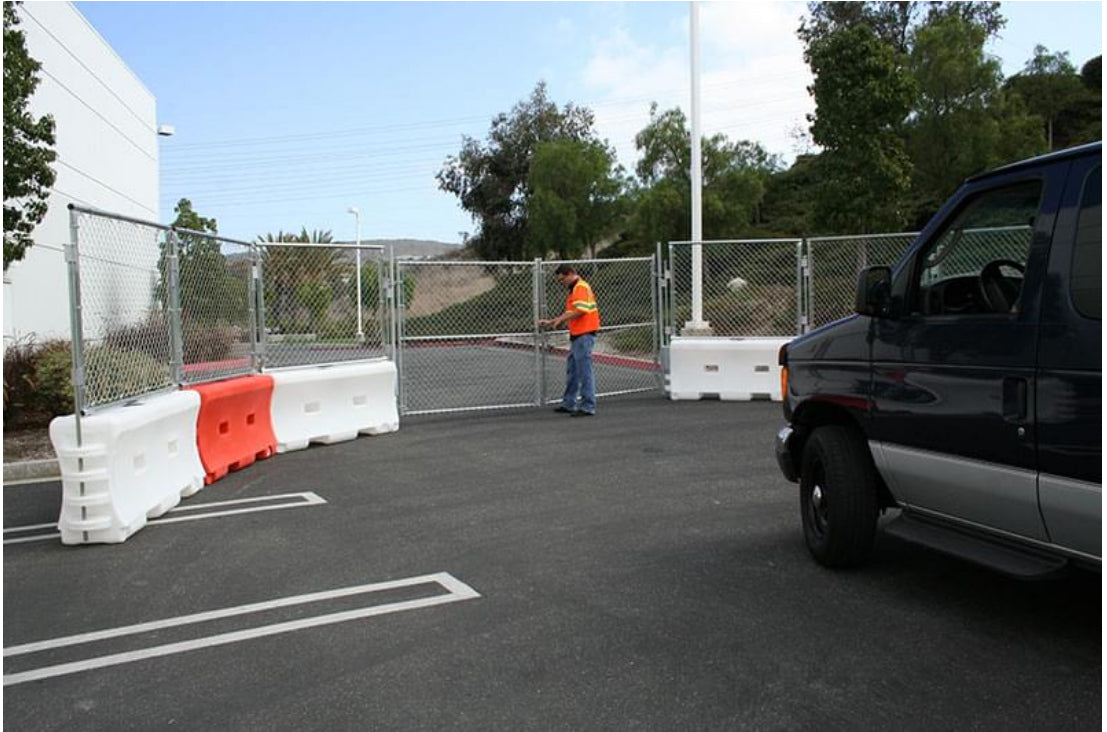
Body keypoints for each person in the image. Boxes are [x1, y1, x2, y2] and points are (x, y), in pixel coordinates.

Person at [539, 264, 600, 417]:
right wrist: (554, 321)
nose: (562, 283)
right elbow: (571, 312)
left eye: (562, 279)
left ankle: (588, 406)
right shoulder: (574, 290)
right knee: (573, 370)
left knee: (584, 371)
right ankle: (569, 403)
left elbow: (580, 310)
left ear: (571, 274)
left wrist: (559, 320)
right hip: (578, 334)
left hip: (584, 334)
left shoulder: (580, 287)